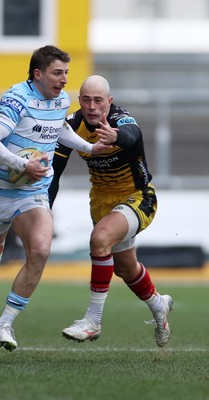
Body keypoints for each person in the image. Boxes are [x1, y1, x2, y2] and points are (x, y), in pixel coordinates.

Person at [0, 47, 110, 351]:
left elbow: (58, 129)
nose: (64, 80)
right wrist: (22, 165)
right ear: (38, 74)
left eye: (66, 73)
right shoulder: (16, 99)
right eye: (57, 73)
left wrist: (89, 149)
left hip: (33, 191)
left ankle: (6, 323)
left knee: (40, 249)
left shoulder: (61, 100)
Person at [49, 75, 173, 348]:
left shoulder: (121, 120)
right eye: (86, 100)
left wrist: (116, 136)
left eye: (98, 100)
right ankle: (158, 305)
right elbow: (54, 175)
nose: (92, 107)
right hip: (101, 202)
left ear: (110, 102)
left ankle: (93, 321)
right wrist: (43, 211)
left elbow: (133, 135)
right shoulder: (70, 126)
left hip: (137, 197)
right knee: (125, 269)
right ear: (79, 100)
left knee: (99, 238)